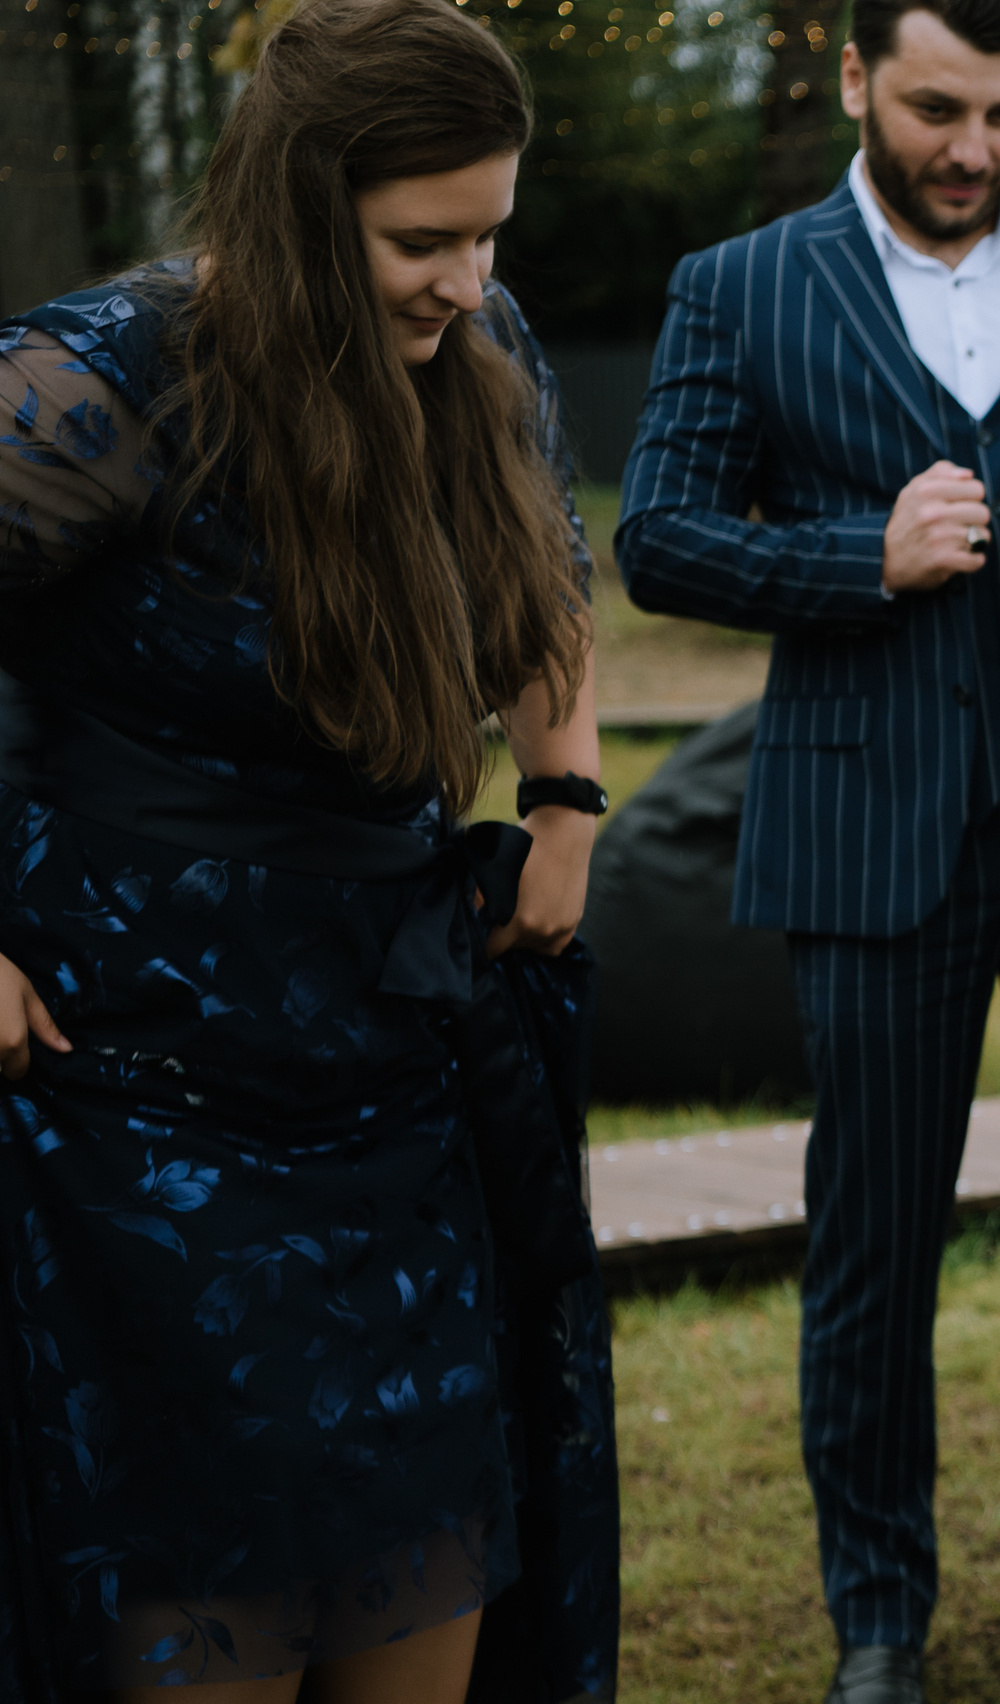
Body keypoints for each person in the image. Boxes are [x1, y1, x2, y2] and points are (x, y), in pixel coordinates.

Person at [614, 1, 1000, 1697]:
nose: (971, 147)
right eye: (937, 108)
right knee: (875, 1245)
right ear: (853, 84)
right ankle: (880, 1615)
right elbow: (656, 533)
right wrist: (852, 555)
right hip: (870, 836)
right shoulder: (739, 286)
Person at [0, 0, 618, 1698]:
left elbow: (543, 585)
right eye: (423, 239)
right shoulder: (99, 379)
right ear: (297, 208)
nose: (467, 278)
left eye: (490, 229)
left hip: (396, 1065)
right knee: (209, 1600)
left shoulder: (479, 358)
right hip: (144, 1097)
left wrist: (565, 798)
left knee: (419, 1570)